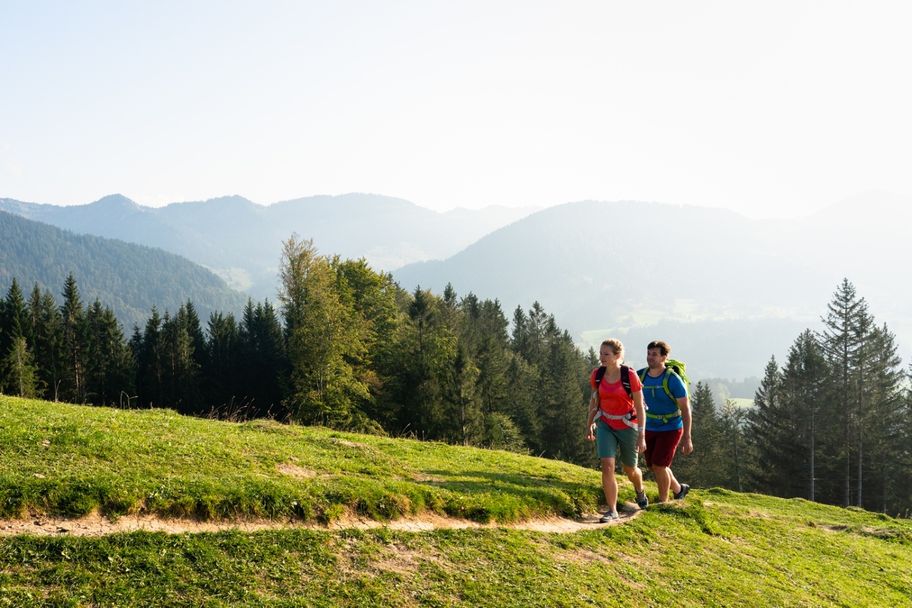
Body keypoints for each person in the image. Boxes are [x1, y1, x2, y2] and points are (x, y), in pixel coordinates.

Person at [585, 338, 648, 522]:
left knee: (630, 469)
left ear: (617, 356)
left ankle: (639, 489)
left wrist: (642, 435)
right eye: (600, 353)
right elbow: (594, 401)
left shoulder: (630, 376)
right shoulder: (597, 375)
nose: (602, 357)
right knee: (607, 465)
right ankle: (612, 510)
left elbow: (640, 406)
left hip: (628, 427)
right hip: (605, 424)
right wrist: (589, 424)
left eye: (606, 354)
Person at [639, 340, 693, 502]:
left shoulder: (673, 379)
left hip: (671, 428)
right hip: (649, 427)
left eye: (655, 354)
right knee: (654, 466)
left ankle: (663, 502)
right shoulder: (640, 375)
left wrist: (687, 437)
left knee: (659, 466)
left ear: (664, 357)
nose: (650, 357)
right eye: (649, 354)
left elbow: (685, 409)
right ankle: (679, 490)